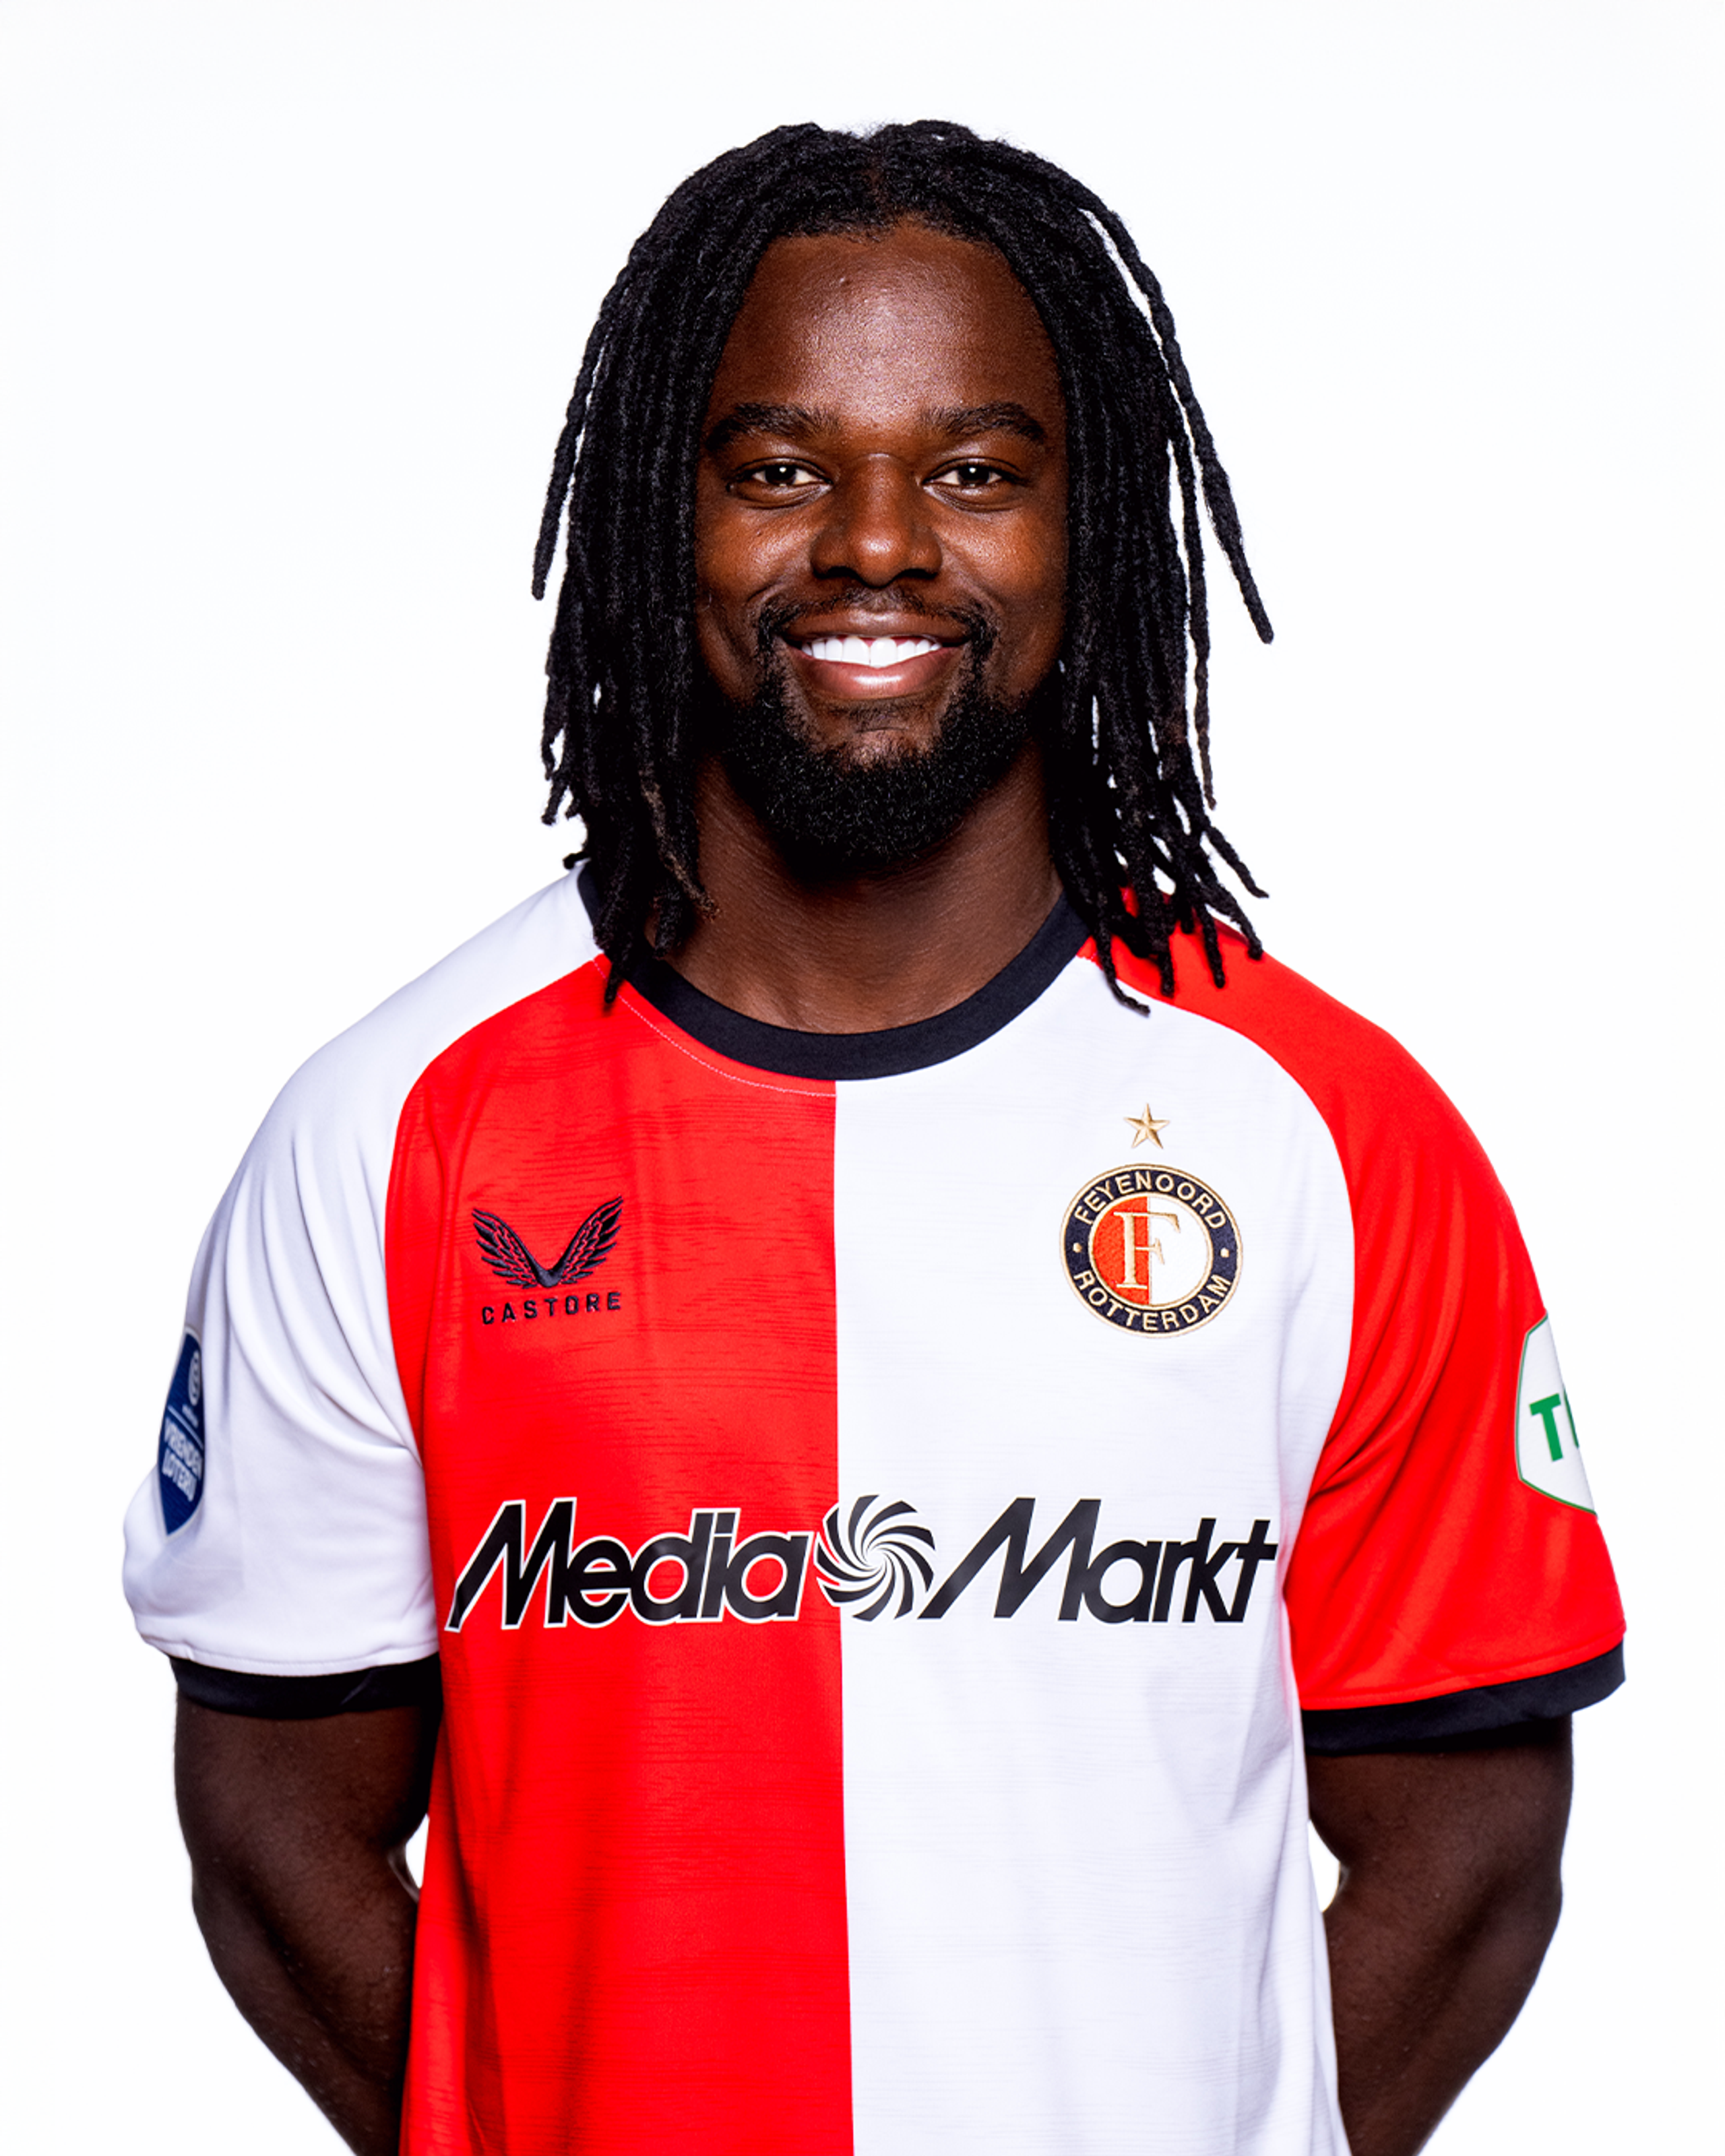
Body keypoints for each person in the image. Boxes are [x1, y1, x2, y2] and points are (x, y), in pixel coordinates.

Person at [123, 121, 1624, 2156]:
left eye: (977, 472)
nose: (879, 547)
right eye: (780, 471)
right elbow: (270, 1833)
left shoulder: (1328, 1135)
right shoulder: (391, 1131)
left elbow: (1471, 1852)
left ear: (1093, 529)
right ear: (664, 514)